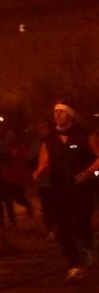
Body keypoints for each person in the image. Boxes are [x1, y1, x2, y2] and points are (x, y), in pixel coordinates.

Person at [34, 103, 95, 280]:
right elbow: (44, 161)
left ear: (70, 115)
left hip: (82, 189)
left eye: (61, 112)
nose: (57, 115)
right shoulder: (49, 140)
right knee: (63, 228)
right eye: (55, 112)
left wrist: (90, 172)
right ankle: (75, 264)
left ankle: (89, 244)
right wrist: (39, 171)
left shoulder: (85, 135)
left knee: (80, 224)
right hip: (59, 189)